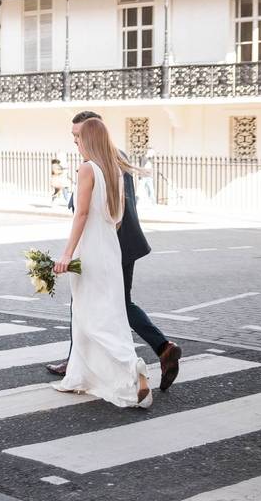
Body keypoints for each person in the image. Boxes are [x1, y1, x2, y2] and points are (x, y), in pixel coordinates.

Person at [48, 111, 182, 393]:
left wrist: (83, 250)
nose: (75, 141)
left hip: (110, 245)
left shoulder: (101, 161)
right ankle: (161, 348)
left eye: (78, 135)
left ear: (93, 132)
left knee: (98, 306)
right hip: (117, 242)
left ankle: (144, 355)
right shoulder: (111, 157)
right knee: (113, 304)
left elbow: (85, 210)